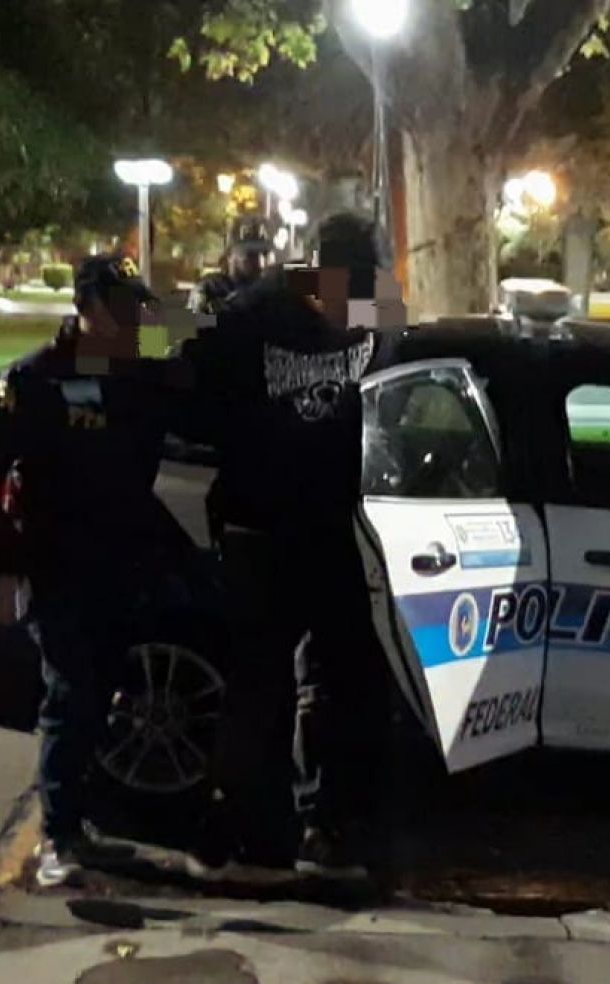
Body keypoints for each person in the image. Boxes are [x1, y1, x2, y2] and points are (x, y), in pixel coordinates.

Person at [176, 211, 395, 879]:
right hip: (259, 529)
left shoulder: (373, 312)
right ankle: (247, 835)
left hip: (333, 528)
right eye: (348, 290)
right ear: (320, 273)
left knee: (347, 679)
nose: (354, 308)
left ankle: (327, 827)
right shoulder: (251, 316)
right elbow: (186, 391)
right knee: (260, 684)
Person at [0, 254, 179, 888]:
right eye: (123, 305)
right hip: (56, 563)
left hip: (123, 559)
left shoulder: (141, 365)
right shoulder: (35, 378)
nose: (135, 315)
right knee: (72, 693)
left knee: (105, 694)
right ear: (89, 308)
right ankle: (59, 838)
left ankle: (82, 827)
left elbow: (201, 352)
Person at [188, 218, 274, 316]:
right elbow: (192, 323)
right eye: (250, 255)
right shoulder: (209, 289)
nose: (260, 263)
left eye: (265, 254)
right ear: (229, 254)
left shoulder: (271, 293)